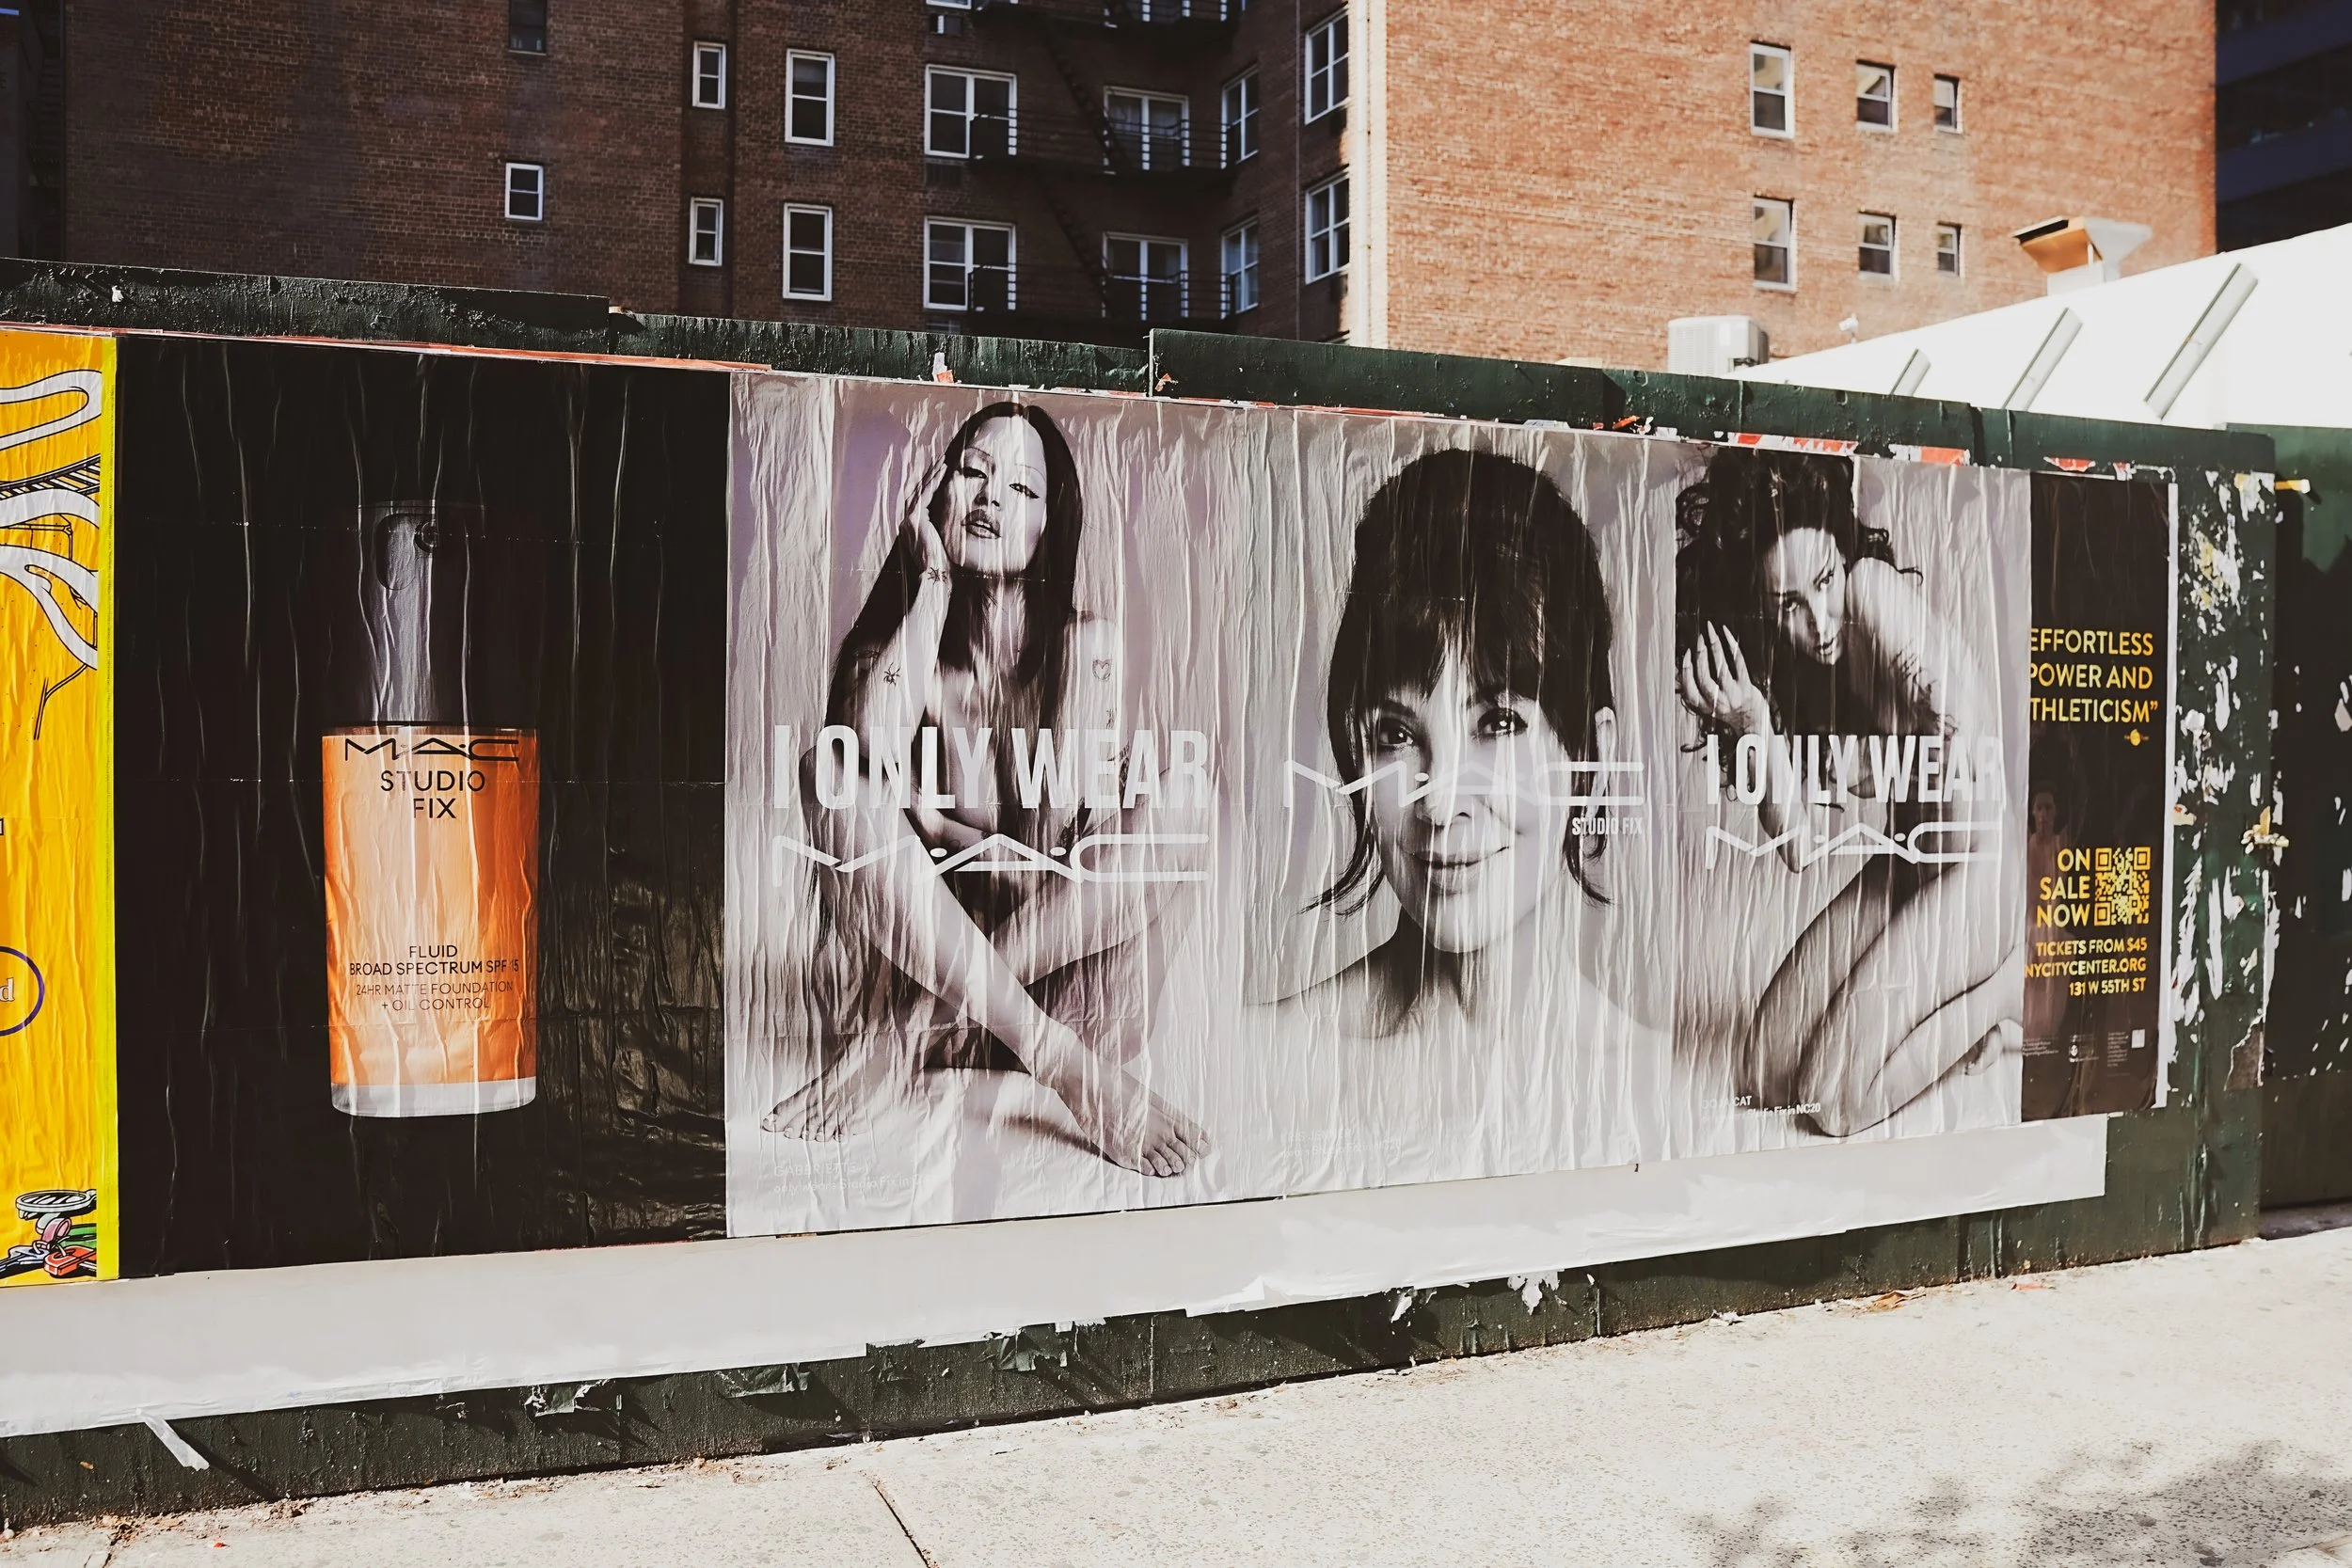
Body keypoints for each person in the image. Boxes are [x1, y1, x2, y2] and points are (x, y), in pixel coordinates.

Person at [763, 402, 1208, 1178]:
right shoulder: (896, 657)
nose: (991, 496)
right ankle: (1058, 1062)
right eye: (972, 472)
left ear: (1050, 526)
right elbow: (861, 757)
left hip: (1014, 998)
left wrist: (940, 830)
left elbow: (1050, 861)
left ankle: (978, 1042)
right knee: (829, 769)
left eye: (1023, 488)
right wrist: (931, 581)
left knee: (1191, 792)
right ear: (936, 494)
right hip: (922, 976)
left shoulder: (1084, 648)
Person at [1675, 446, 2018, 1137]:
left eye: (1823, 582)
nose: (1821, 621)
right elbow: (1798, 845)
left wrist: (1866, 758)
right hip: (1909, 866)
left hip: (1979, 874)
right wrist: (1754, 721)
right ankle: (1944, 1018)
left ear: (1843, 556)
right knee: (1766, 1075)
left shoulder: (1870, 591)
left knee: (1833, 1100)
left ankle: (2008, 989)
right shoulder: (1792, 673)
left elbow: (1970, 734)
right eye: (1789, 605)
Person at [1281, 448, 1636, 1050]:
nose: (1440, 804)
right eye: (1396, 735)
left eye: (1497, 724)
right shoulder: (1269, 1064)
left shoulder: (1657, 1087)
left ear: (1590, 764)